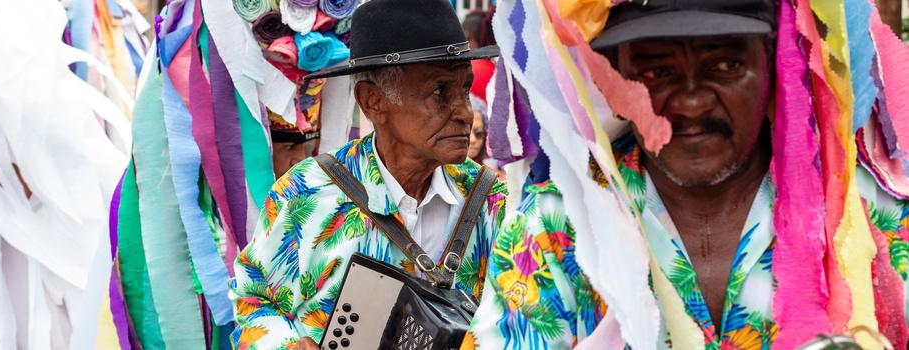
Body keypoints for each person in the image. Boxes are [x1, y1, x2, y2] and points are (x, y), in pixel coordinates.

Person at [468, 0, 909, 349]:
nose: (692, 103)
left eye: (725, 66)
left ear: (773, 62)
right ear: (613, 75)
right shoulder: (557, 224)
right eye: (656, 72)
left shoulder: (868, 217)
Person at [228, 0, 508, 349]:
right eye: (440, 92)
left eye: (464, 89)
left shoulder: (493, 201)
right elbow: (254, 301)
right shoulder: (306, 193)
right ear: (373, 101)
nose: (465, 113)